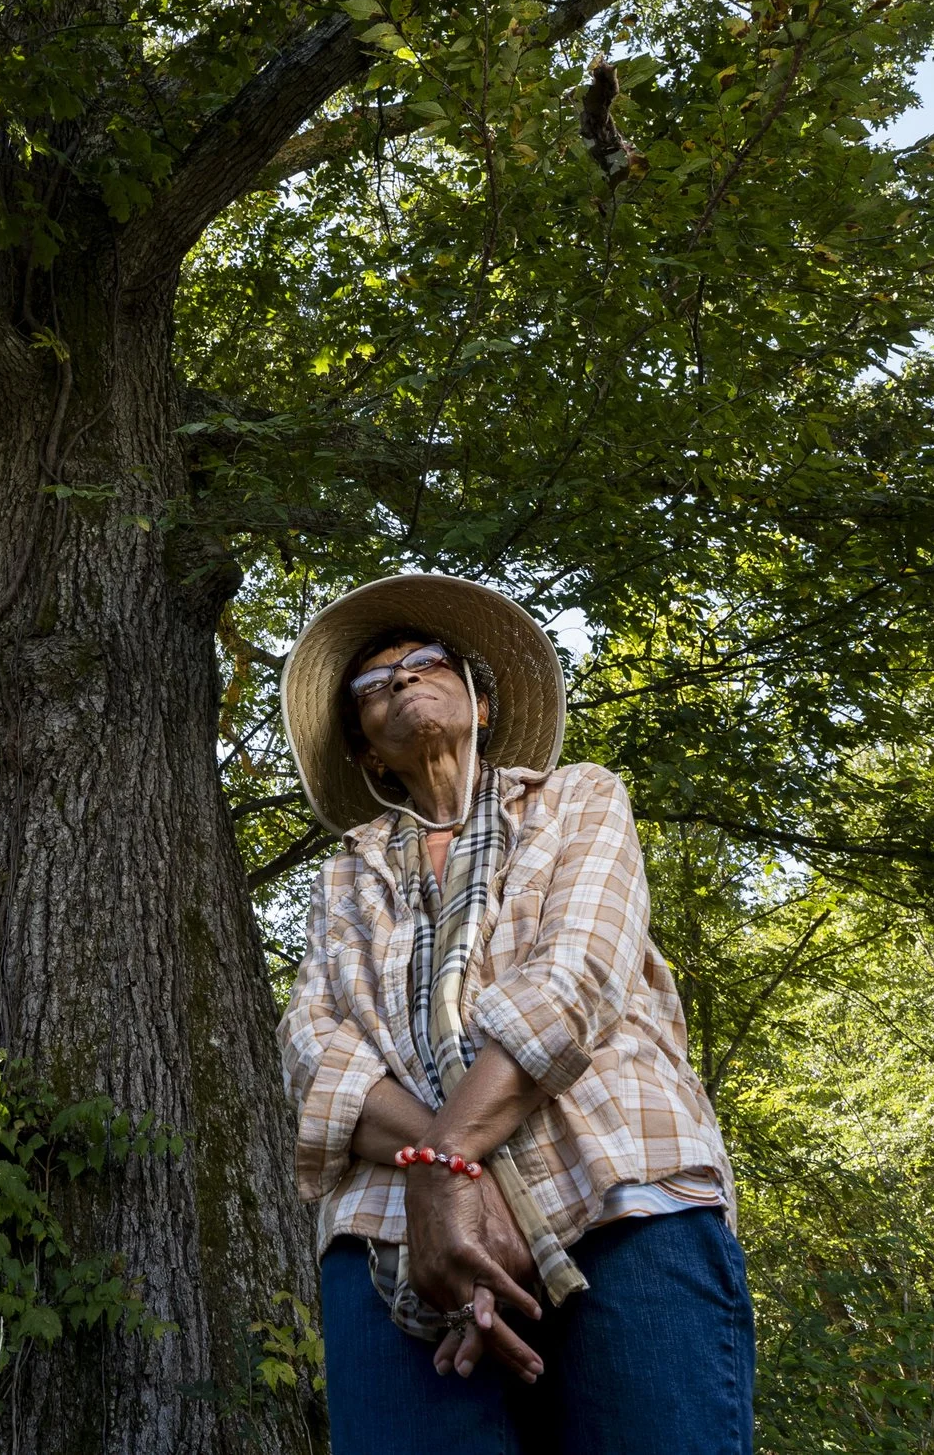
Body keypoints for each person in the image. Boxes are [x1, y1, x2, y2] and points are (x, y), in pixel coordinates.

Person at [275, 573, 753, 1453]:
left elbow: (580, 970)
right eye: (371, 686)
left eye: (423, 663)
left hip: (616, 1188)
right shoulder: (344, 875)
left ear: (481, 701)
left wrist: (443, 1164)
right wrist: (439, 1181)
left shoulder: (580, 797)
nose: (399, 681)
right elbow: (312, 1045)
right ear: (369, 754)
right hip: (392, 1236)